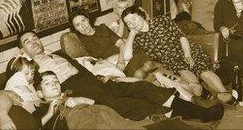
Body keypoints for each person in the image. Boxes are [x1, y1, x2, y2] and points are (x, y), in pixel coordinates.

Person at [16, 30, 224, 122]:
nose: (34, 41)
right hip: (75, 89)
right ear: (22, 50)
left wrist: (102, 76)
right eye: (28, 41)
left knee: (141, 87)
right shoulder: (28, 66)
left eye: (35, 38)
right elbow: (30, 91)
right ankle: (198, 114)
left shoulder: (59, 54)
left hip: (94, 82)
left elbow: (84, 68)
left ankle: (193, 110)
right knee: (127, 103)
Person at [121, 5, 237, 105]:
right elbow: (126, 56)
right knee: (182, 70)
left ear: (141, 15)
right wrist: (132, 33)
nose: (132, 23)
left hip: (187, 49)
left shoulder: (161, 20)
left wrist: (188, 55)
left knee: (203, 70)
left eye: (134, 19)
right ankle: (196, 87)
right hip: (172, 61)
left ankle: (225, 94)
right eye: (128, 22)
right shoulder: (137, 39)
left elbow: (181, 36)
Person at [33, 71, 145, 129]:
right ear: (40, 93)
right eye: (47, 83)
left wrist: (83, 99)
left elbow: (102, 104)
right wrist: (49, 113)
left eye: (56, 81)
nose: (54, 84)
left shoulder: (73, 94)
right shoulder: (40, 111)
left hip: (100, 111)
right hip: (80, 120)